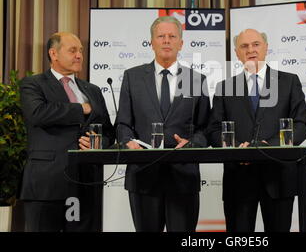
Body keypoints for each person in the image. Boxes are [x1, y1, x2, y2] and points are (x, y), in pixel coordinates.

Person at [207, 29, 306, 232]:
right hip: (238, 178)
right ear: (236, 53)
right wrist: (237, 149)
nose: (251, 50)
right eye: (244, 46)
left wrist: (267, 147)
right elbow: (214, 129)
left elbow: (300, 126)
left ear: (266, 48)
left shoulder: (289, 82)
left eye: (256, 44)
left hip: (279, 177)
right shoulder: (224, 87)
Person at [116, 16, 210, 232]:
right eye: (161, 36)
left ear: (181, 43)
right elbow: (122, 123)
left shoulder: (197, 79)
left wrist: (192, 143)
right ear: (151, 42)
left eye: (172, 36)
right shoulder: (132, 77)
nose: (166, 41)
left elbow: (205, 127)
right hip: (143, 176)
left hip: (183, 177)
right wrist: (127, 141)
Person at [19, 32, 115, 232]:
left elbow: (108, 131)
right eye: (73, 50)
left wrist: (99, 143)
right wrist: (81, 109)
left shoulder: (93, 90)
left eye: (81, 50)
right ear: (53, 54)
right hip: (46, 184)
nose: (79, 55)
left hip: (86, 183)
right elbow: (38, 114)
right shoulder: (33, 84)